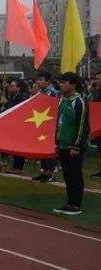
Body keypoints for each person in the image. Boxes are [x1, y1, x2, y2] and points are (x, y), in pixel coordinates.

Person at [53, 72, 90, 215]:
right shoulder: (62, 100)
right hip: (62, 143)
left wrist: (77, 145)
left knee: (75, 174)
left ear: (73, 84)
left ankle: (76, 204)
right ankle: (69, 202)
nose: (61, 85)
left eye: (64, 83)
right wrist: (57, 141)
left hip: (74, 145)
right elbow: (59, 122)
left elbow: (82, 125)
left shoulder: (79, 101)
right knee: (67, 175)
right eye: (61, 83)